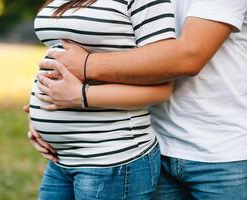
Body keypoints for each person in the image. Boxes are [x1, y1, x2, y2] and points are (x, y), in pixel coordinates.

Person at [28, 0, 247, 199]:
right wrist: (46, 107)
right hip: (154, 140)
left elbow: (189, 56)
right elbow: (99, 42)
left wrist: (85, 68)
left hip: (219, 153)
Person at [28, 0, 176, 199]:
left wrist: (81, 96)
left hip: (111, 158)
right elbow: (58, 53)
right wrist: (39, 110)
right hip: (61, 160)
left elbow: (162, 87)